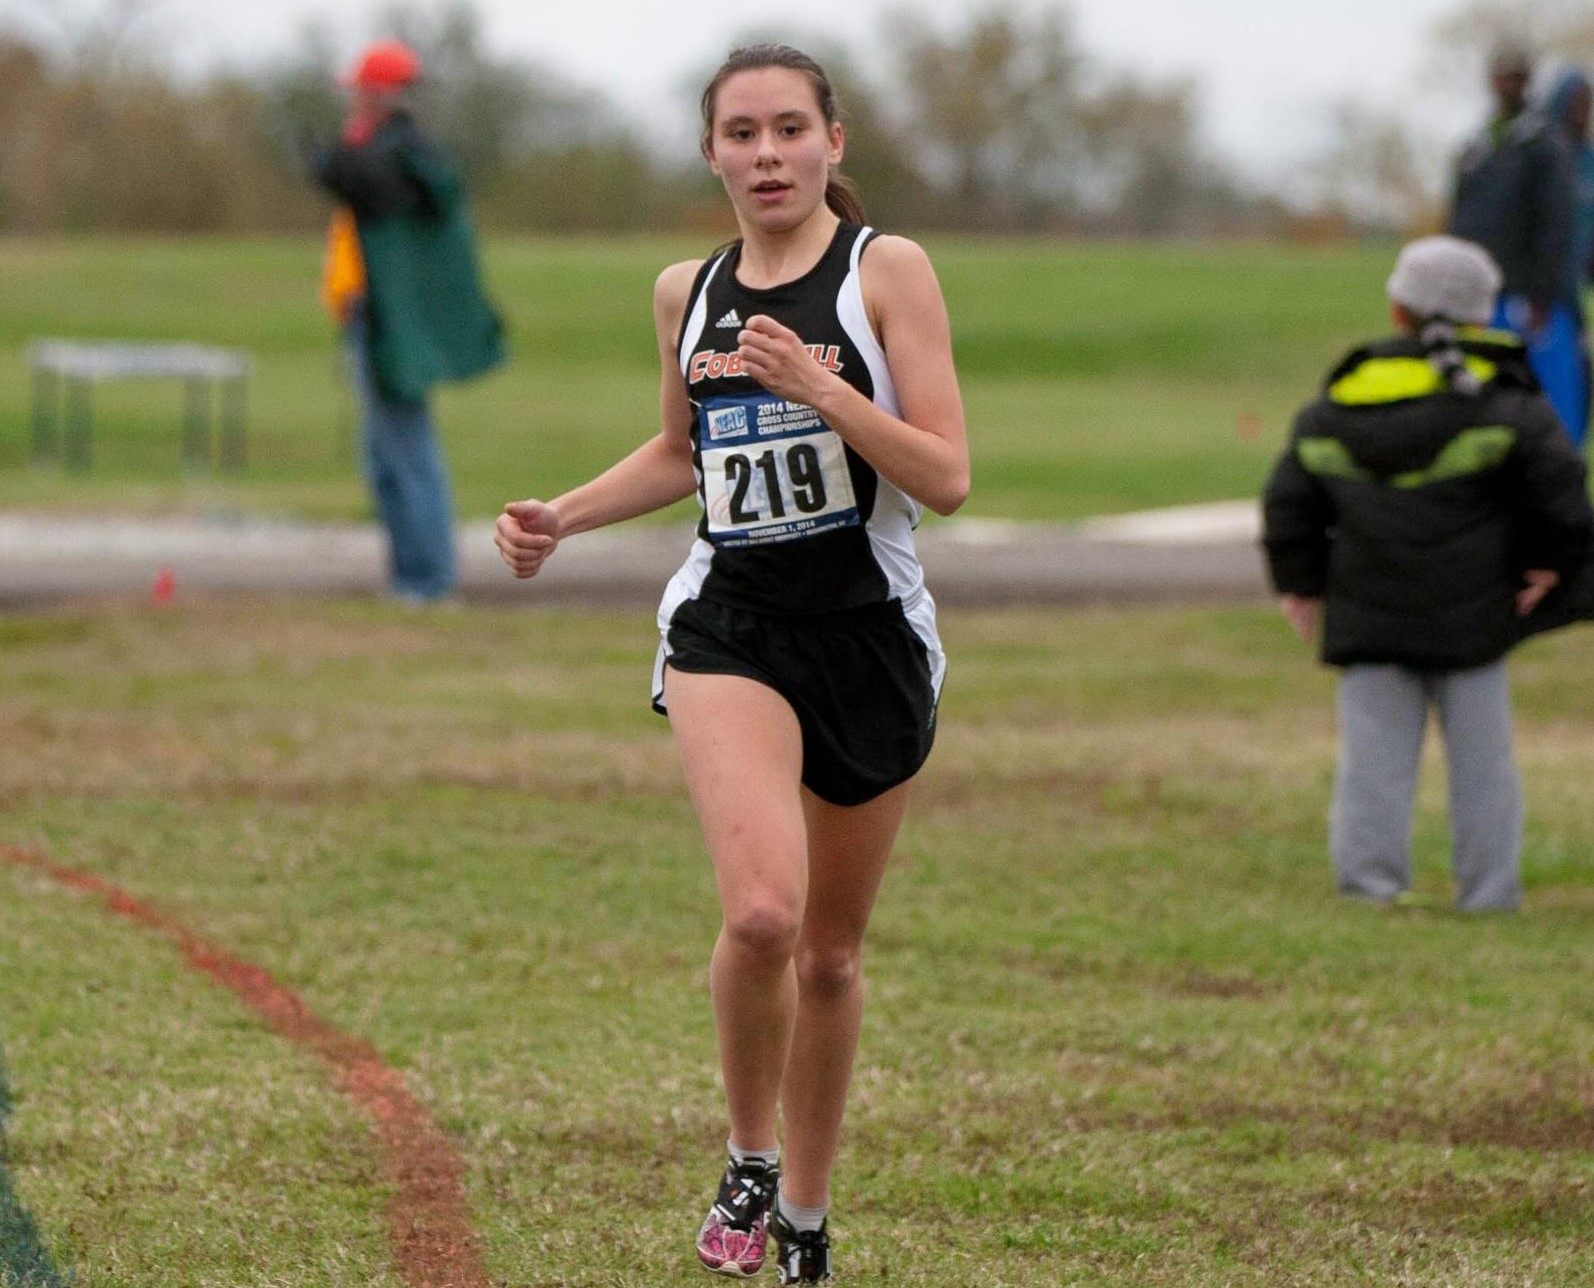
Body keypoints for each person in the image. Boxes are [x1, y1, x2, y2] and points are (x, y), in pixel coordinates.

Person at [495, 43, 969, 1283]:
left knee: (827, 952)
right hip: (730, 628)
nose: (767, 154)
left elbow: (947, 476)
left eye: (789, 130)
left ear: (833, 143)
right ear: (710, 151)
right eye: (742, 134)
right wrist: (562, 516)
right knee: (760, 914)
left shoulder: (888, 271)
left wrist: (821, 388)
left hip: (869, 635)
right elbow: (677, 453)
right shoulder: (685, 292)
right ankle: (748, 1156)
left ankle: (805, 1217)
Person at [1261, 235, 1593, 913]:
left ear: (1396, 309)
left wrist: (1299, 581)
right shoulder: (1508, 403)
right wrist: (1552, 567)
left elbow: (1289, 500)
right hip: (1476, 618)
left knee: (1372, 765)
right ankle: (1489, 893)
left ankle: (1370, 888)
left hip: (1368, 610)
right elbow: (1562, 492)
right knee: (1484, 768)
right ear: (1481, 318)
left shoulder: (1338, 405)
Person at [309, 39, 504, 604]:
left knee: (407, 450)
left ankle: (428, 582)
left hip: (385, 323)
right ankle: (409, 579)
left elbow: (350, 173)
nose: (354, 102)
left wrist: (337, 150)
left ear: (380, 93)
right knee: (385, 455)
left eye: (361, 91)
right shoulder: (398, 153)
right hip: (366, 316)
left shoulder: (400, 156)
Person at [1448, 42, 1583, 440]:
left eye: (1515, 76)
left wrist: (1543, 295)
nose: (1507, 84)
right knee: (1484, 401)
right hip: (1483, 296)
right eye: (1501, 75)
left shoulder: (1545, 145)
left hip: (1534, 300)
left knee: (1553, 403)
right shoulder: (1477, 147)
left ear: (1527, 82)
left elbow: (1557, 225)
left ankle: (1562, 489)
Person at [1544, 63, 1594, 448]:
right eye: (1575, 104)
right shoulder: (1541, 156)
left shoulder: (1588, 161)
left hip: (1578, 281)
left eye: (1587, 104)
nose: (1583, 113)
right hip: (1547, 290)